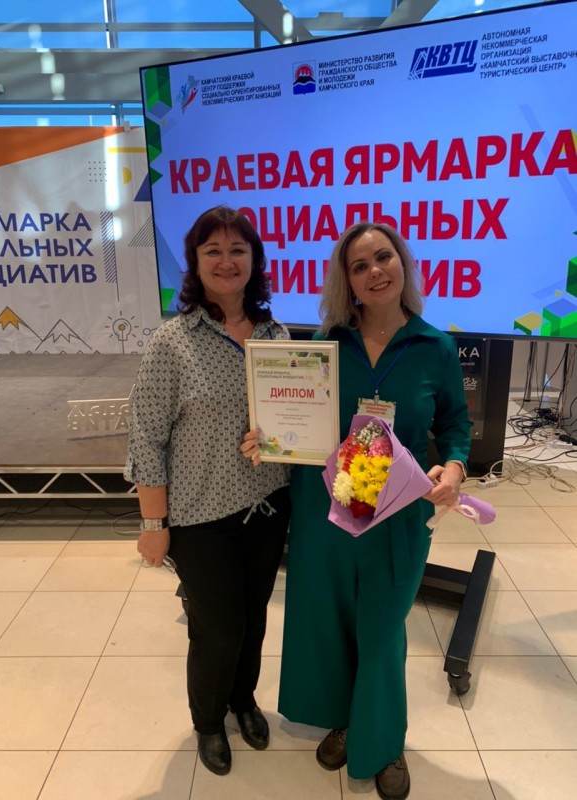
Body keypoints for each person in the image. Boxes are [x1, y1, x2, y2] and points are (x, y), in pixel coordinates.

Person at [277, 222, 471, 799]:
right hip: (329, 508)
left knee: (383, 631)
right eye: (359, 266)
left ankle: (383, 741)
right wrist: (271, 435)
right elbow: (298, 417)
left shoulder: (434, 346)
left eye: (383, 257)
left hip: (398, 513)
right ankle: (346, 718)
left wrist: (454, 468)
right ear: (348, 280)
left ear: (402, 262)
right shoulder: (327, 342)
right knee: (332, 618)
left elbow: (455, 425)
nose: (374, 271)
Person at [125, 206, 290, 777]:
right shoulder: (172, 342)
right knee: (217, 630)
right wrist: (154, 525)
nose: (226, 260)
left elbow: (291, 426)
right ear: (195, 263)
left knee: (254, 618)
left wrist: (281, 441)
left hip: (268, 506)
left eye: (237, 249)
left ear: (254, 260)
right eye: (212, 250)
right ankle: (209, 721)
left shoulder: (276, 336)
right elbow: (146, 437)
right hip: (200, 517)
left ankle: (243, 701)